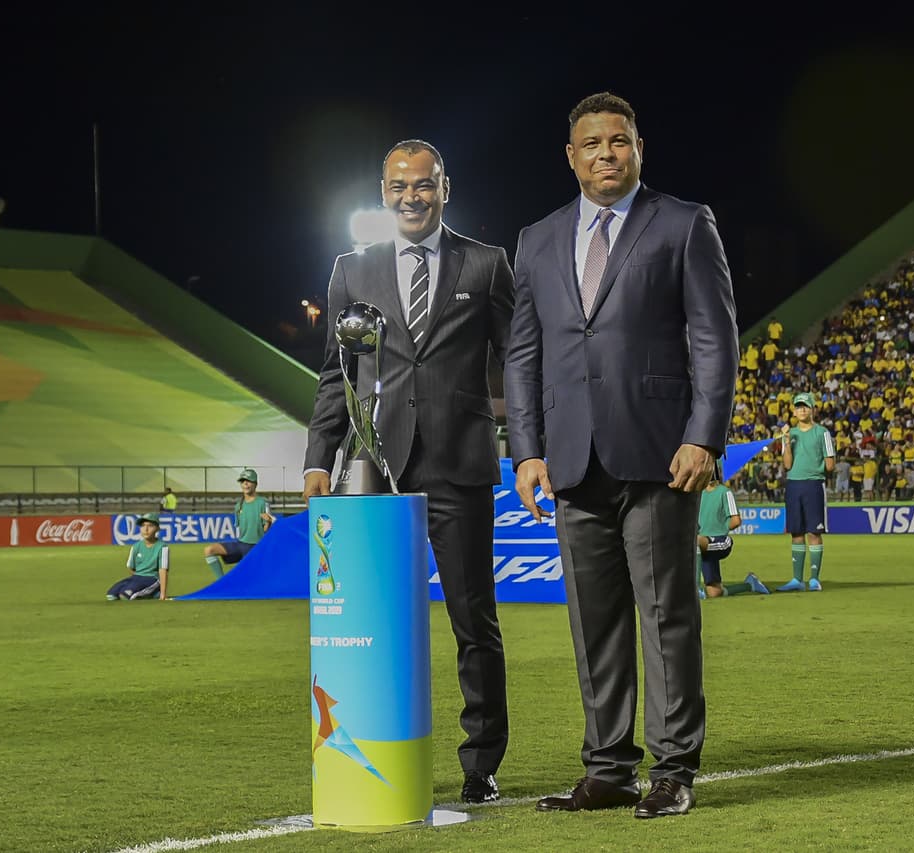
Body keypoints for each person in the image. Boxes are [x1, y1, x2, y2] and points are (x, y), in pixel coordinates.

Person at [504, 92, 738, 819]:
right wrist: (526, 452)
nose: (606, 153)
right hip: (571, 460)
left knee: (667, 613)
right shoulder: (537, 239)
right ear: (569, 156)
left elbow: (715, 337)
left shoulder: (683, 223)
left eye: (619, 140)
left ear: (639, 147)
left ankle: (673, 769)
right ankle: (608, 768)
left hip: (660, 453)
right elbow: (524, 355)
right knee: (593, 619)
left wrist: (705, 434)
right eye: (592, 143)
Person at [301, 139, 514, 804]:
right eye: (398, 186)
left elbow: (519, 363)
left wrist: (532, 443)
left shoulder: (486, 265)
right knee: (374, 621)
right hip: (375, 476)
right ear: (383, 191)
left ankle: (480, 763)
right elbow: (339, 375)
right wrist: (318, 458)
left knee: (472, 620)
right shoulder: (351, 270)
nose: (411, 197)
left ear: (444, 187)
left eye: (423, 184)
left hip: (461, 468)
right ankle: (374, 745)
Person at [778, 392, 835, 592]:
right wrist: (786, 441)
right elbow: (787, 465)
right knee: (796, 532)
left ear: (812, 409)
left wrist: (815, 467)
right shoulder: (789, 433)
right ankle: (796, 579)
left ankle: (814, 579)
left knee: (814, 531)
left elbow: (830, 465)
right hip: (794, 484)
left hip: (813, 484)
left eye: (805, 406)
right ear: (794, 410)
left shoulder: (822, 433)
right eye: (798, 407)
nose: (801, 410)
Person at [697, 475, 769, 599]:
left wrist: (719, 527)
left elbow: (736, 520)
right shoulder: (698, 493)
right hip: (703, 545)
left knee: (695, 541)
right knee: (714, 592)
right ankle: (750, 584)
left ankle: (696, 589)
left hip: (720, 541)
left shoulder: (725, 492)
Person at [203, 468, 273, 577]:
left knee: (248, 580)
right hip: (241, 544)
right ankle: (222, 583)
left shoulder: (262, 503)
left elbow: (266, 531)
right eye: (242, 481)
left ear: (255, 484)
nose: (245, 483)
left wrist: (268, 523)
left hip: (256, 548)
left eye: (248, 480)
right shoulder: (238, 505)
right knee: (209, 550)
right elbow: (240, 530)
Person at [107, 513, 170, 601]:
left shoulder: (162, 547)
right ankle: (150, 592)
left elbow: (163, 570)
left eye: (150, 526)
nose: (146, 529)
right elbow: (130, 567)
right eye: (143, 526)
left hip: (152, 579)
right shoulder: (136, 546)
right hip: (136, 577)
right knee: (111, 595)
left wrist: (163, 595)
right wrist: (137, 580)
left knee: (125, 595)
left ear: (157, 529)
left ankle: (155, 592)